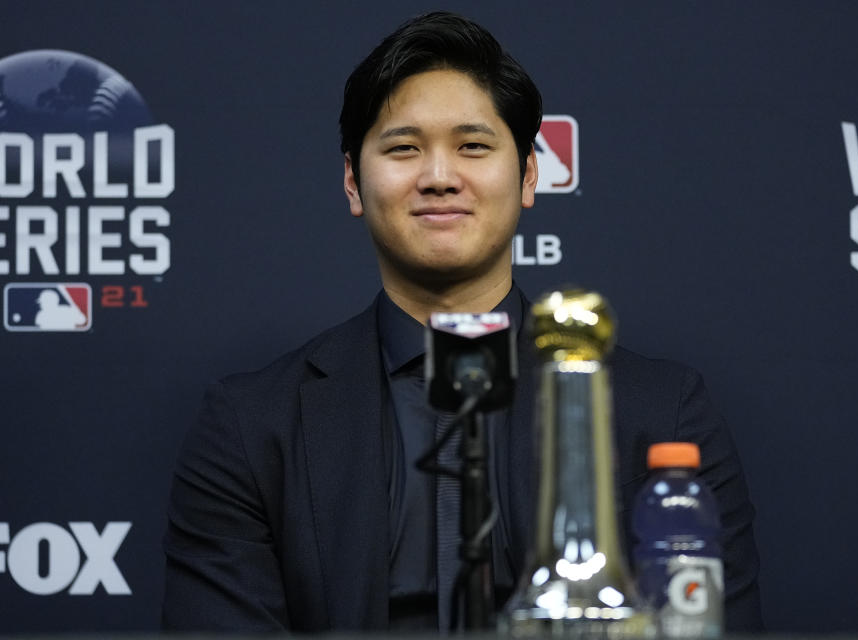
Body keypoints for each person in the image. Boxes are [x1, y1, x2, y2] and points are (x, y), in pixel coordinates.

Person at [162, 11, 762, 632]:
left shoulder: (660, 412)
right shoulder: (252, 427)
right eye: (403, 148)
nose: (440, 177)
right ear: (352, 181)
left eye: (473, 146)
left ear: (529, 174)